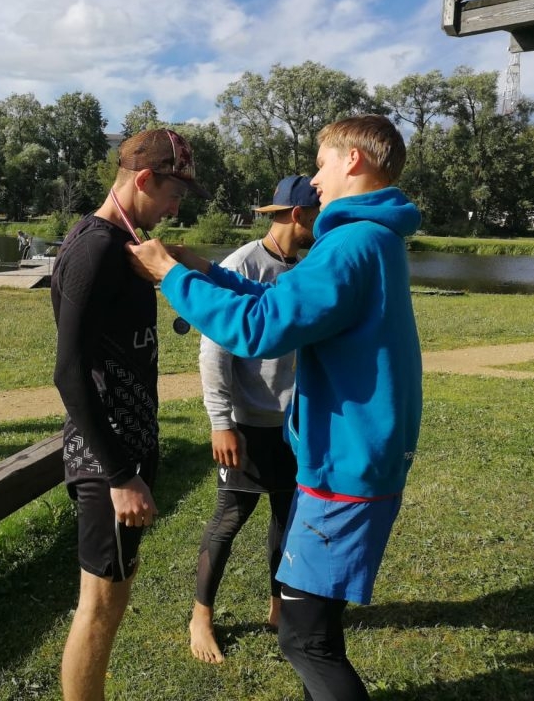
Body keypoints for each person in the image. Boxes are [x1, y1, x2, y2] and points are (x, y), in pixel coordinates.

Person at [128, 115, 421, 701]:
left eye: (321, 164)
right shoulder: (370, 238)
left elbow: (261, 328)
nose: (315, 181)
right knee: (316, 631)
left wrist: (169, 276)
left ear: (354, 161)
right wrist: (207, 271)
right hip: (353, 460)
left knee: (305, 641)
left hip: (344, 471)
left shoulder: (353, 242)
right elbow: (281, 298)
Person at [52, 128, 208, 700]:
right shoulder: (94, 248)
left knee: (113, 593)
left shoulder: (126, 244)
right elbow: (69, 372)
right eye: (174, 194)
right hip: (108, 454)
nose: (176, 208)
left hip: (130, 444)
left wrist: (183, 266)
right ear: (143, 179)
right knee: (99, 604)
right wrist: (120, 475)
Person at [190, 175, 320, 664]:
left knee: (287, 519)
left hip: (292, 424)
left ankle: (278, 610)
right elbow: (214, 349)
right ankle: (201, 617)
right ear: (298, 215)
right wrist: (221, 421)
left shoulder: (303, 268)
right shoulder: (242, 265)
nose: (322, 224)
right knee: (229, 518)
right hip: (245, 424)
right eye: (318, 215)